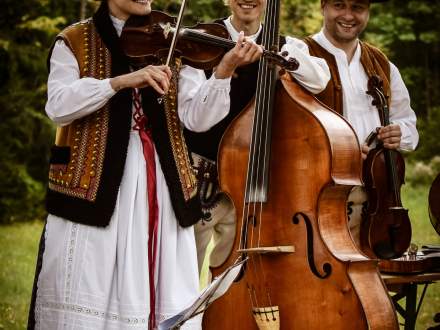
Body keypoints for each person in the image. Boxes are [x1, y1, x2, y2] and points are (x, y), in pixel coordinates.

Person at [27, 0, 264, 329]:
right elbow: (59, 105)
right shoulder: (75, 39)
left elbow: (196, 119)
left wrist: (223, 71)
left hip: (162, 182)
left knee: (157, 283)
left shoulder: (174, 41)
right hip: (96, 183)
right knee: (90, 277)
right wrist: (120, 82)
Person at [184, 0, 331, 273]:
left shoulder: (284, 45)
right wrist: (224, 70)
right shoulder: (200, 41)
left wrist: (279, 56)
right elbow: (195, 121)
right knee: (184, 276)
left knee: (238, 278)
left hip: (252, 184)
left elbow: (320, 79)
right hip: (200, 180)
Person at [302, 0, 419, 246]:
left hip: (376, 199)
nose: (348, 15)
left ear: (368, 12)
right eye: (339, 5)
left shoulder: (381, 63)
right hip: (320, 196)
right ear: (323, 6)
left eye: (357, 7)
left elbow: (407, 122)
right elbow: (287, 132)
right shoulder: (301, 56)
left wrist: (400, 132)